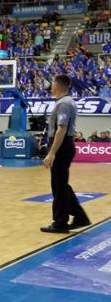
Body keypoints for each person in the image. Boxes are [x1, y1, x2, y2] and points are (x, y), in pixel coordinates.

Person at [40, 75, 90, 233]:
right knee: (61, 184)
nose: (51, 86)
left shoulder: (64, 103)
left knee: (59, 186)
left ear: (58, 85)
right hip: (63, 145)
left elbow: (61, 129)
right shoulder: (65, 102)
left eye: (53, 83)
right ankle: (80, 216)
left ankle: (60, 222)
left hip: (61, 146)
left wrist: (52, 153)